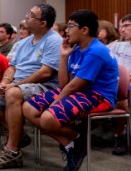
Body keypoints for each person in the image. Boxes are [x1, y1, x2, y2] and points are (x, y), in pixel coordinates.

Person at [23, 9, 118, 171]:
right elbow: (64, 83)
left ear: (84, 30)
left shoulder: (96, 51)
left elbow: (74, 85)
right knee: (28, 108)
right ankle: (74, 143)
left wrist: (54, 105)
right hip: (79, 92)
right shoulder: (75, 48)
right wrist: (63, 56)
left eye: (71, 26)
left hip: (99, 96)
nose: (66, 31)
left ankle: (74, 144)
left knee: (47, 118)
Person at [0, 3, 62, 169]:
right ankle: (18, 133)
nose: (26, 16)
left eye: (31, 15)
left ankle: (12, 151)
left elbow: (46, 73)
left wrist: (15, 85)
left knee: (13, 94)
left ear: (43, 22)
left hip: (43, 86)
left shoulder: (54, 40)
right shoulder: (25, 42)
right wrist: (5, 82)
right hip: (18, 85)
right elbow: (12, 67)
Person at [108, 13, 131, 155]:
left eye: (127, 26)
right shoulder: (117, 46)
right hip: (113, 82)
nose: (122, 29)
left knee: (122, 95)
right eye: (121, 26)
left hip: (126, 86)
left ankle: (120, 135)